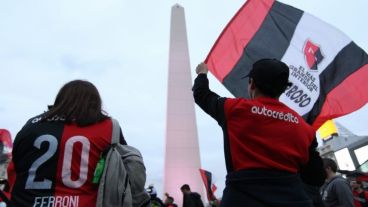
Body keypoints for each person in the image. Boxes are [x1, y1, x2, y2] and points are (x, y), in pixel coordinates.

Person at [192, 59, 326, 207]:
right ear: (283, 89)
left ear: (252, 84)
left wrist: (202, 73)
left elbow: (201, 94)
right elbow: (316, 177)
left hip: (241, 199)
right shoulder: (305, 129)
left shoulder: (234, 110)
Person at [9, 80, 127, 207]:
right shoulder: (108, 127)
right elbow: (125, 169)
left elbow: (13, 168)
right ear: (95, 103)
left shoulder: (31, 125)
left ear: (60, 99)